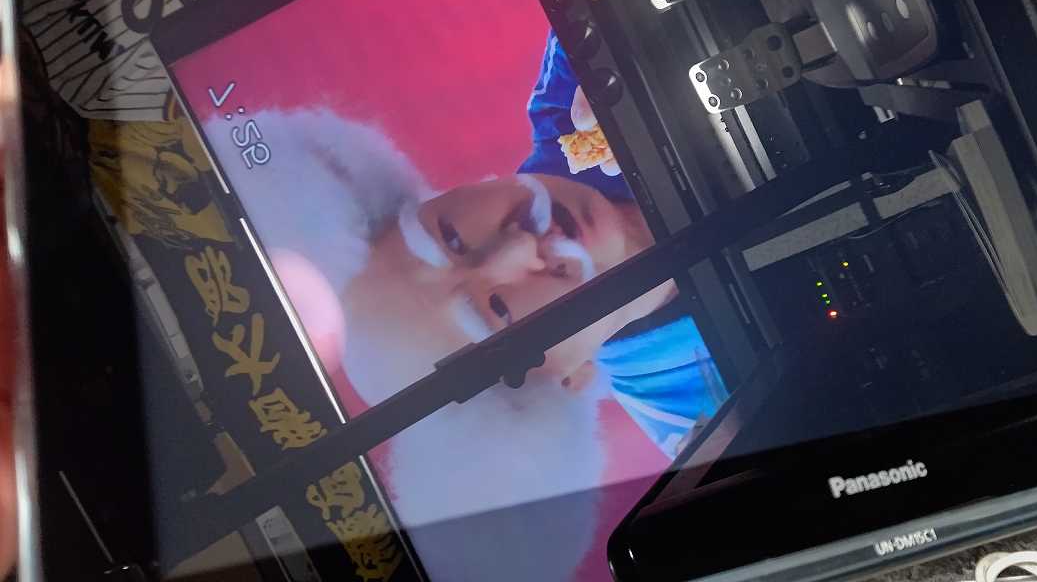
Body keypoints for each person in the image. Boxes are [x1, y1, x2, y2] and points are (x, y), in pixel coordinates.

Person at [208, 31, 725, 579]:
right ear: (570, 381)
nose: (520, 246)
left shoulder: (576, 76)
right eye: (497, 312)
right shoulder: (708, 416)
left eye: (450, 235)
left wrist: (645, 45)